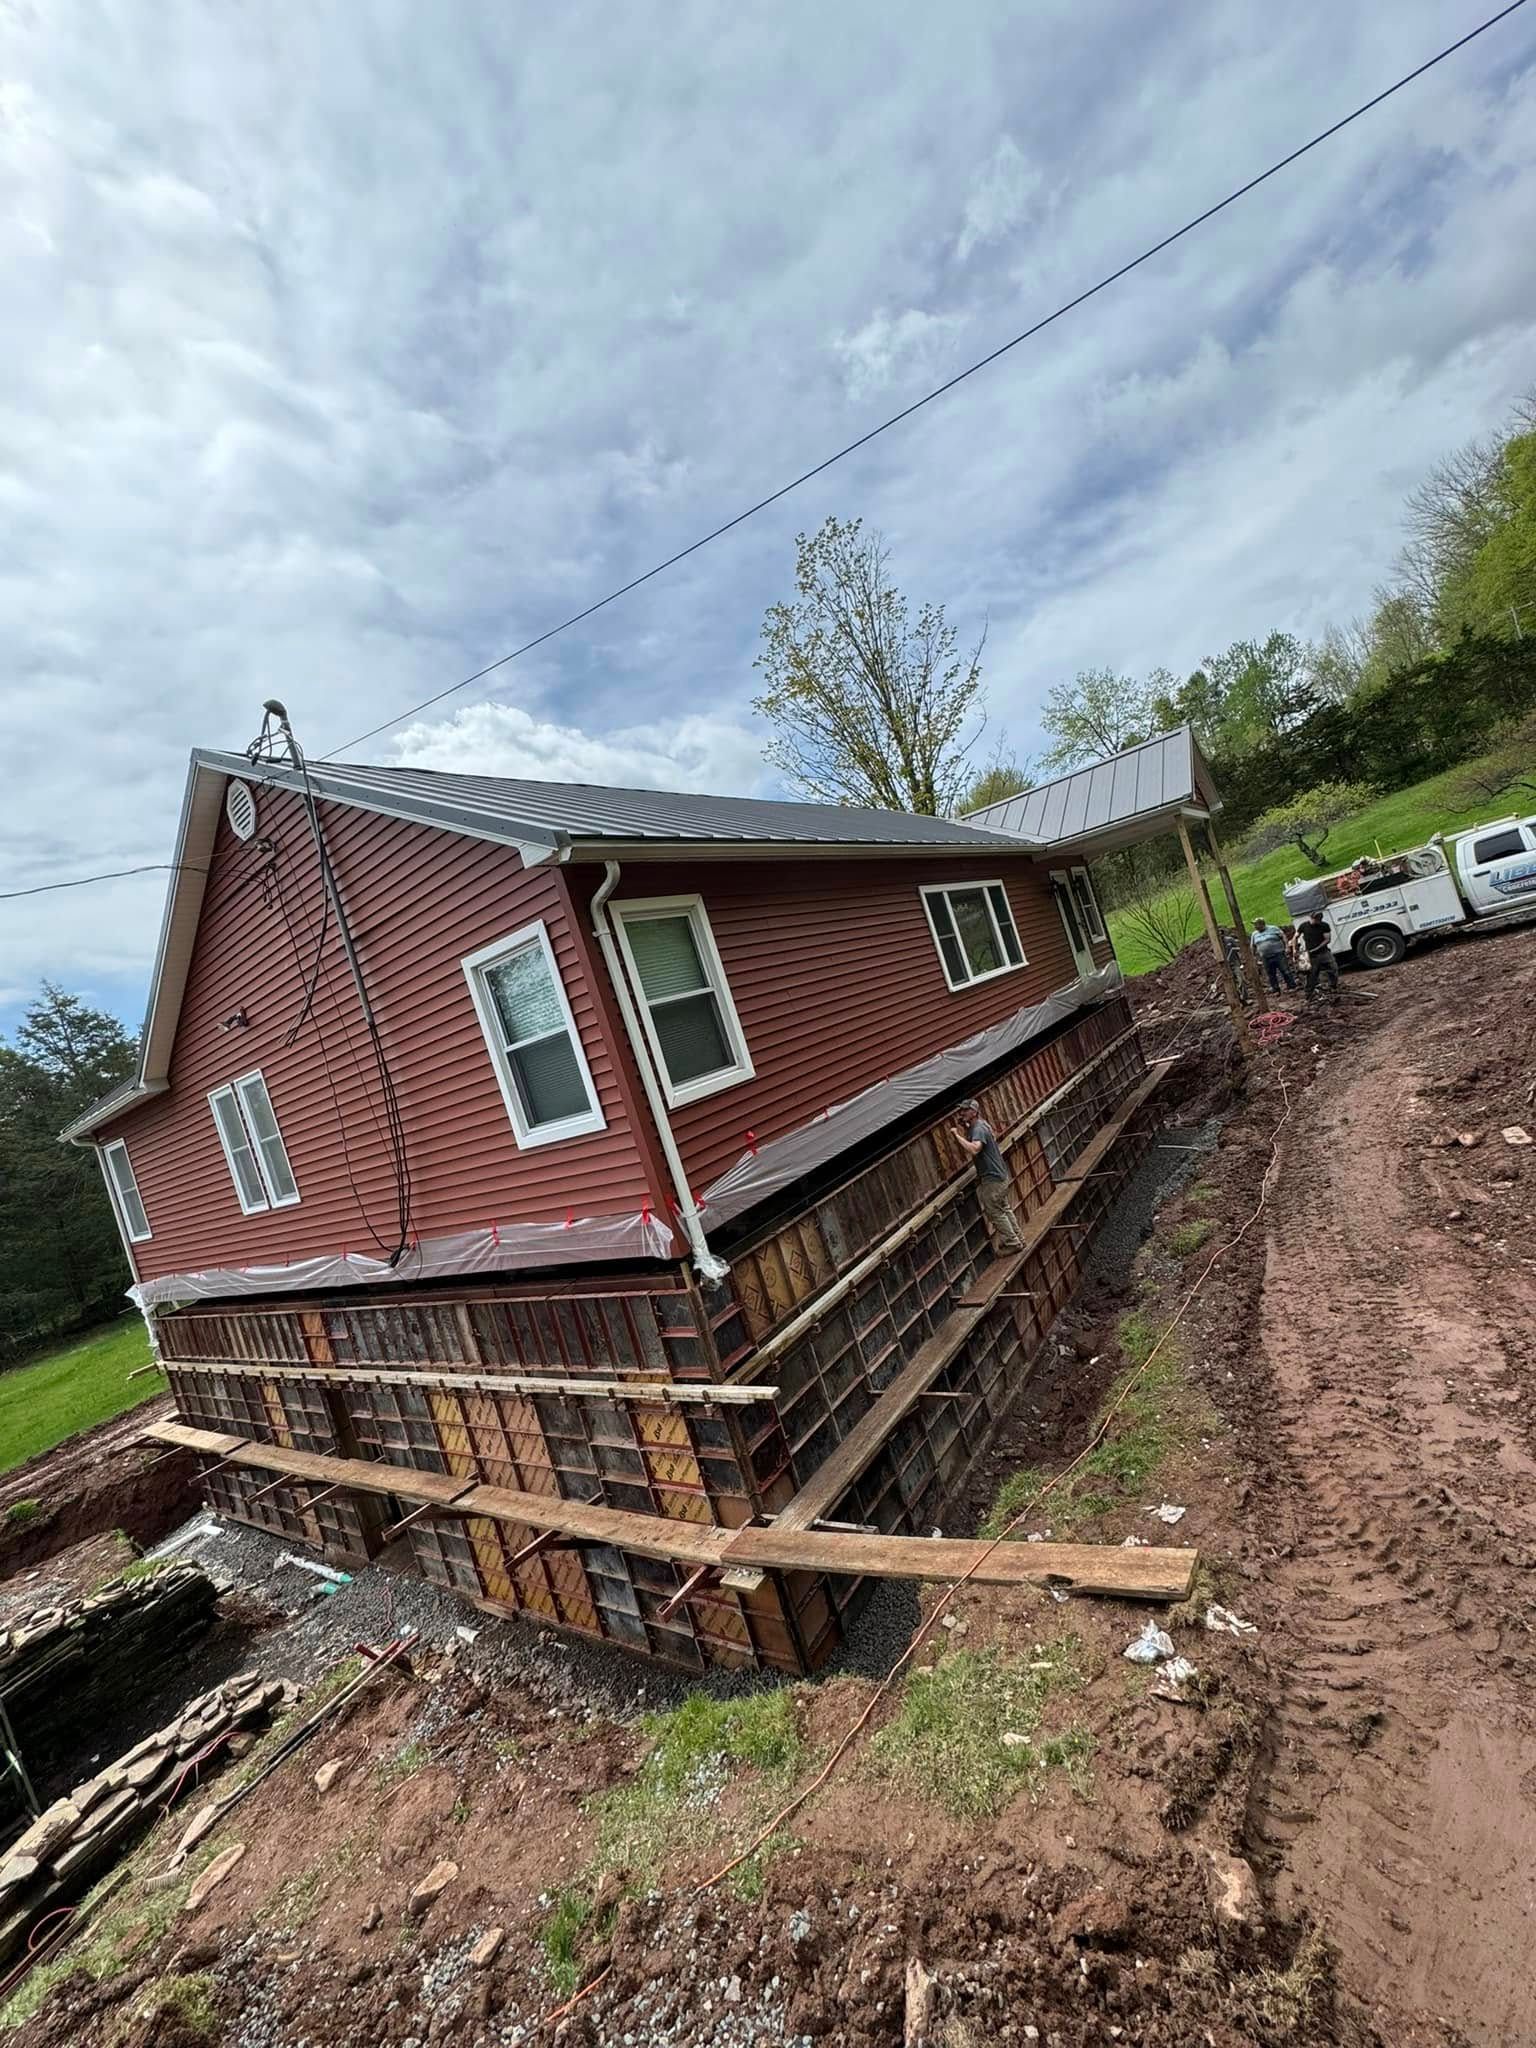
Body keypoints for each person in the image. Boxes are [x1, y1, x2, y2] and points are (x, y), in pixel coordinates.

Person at [951, 1097, 1025, 1252]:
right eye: (961, 1110)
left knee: (994, 1211)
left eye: (965, 1110)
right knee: (1004, 1207)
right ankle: (1018, 1237)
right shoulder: (980, 1124)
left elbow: (974, 1149)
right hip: (1000, 1175)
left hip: (992, 1179)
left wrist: (957, 1136)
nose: (961, 1113)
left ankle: (1012, 1242)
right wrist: (965, 1126)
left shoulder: (978, 1129)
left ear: (974, 1112)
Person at [1297, 909, 1339, 1000]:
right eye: (1314, 919)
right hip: (1311, 956)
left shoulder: (1324, 926)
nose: (1315, 921)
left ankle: (1333, 986)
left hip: (1324, 952)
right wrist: (1293, 949)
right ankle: (1309, 994)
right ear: (1311, 918)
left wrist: (1317, 948)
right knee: (1311, 974)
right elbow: (1295, 936)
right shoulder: (1303, 926)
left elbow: (1327, 939)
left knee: (1333, 968)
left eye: (1317, 920)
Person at [1251, 916, 1297, 994]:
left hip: (1278, 953)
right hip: (1265, 956)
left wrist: (1286, 947)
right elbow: (1252, 946)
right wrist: (1253, 956)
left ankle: (1291, 986)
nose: (1255, 926)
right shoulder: (1254, 934)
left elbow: (1283, 936)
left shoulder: (1273, 928)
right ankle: (1275, 989)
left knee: (1285, 970)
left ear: (1261, 924)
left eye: (1256, 925)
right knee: (1270, 973)